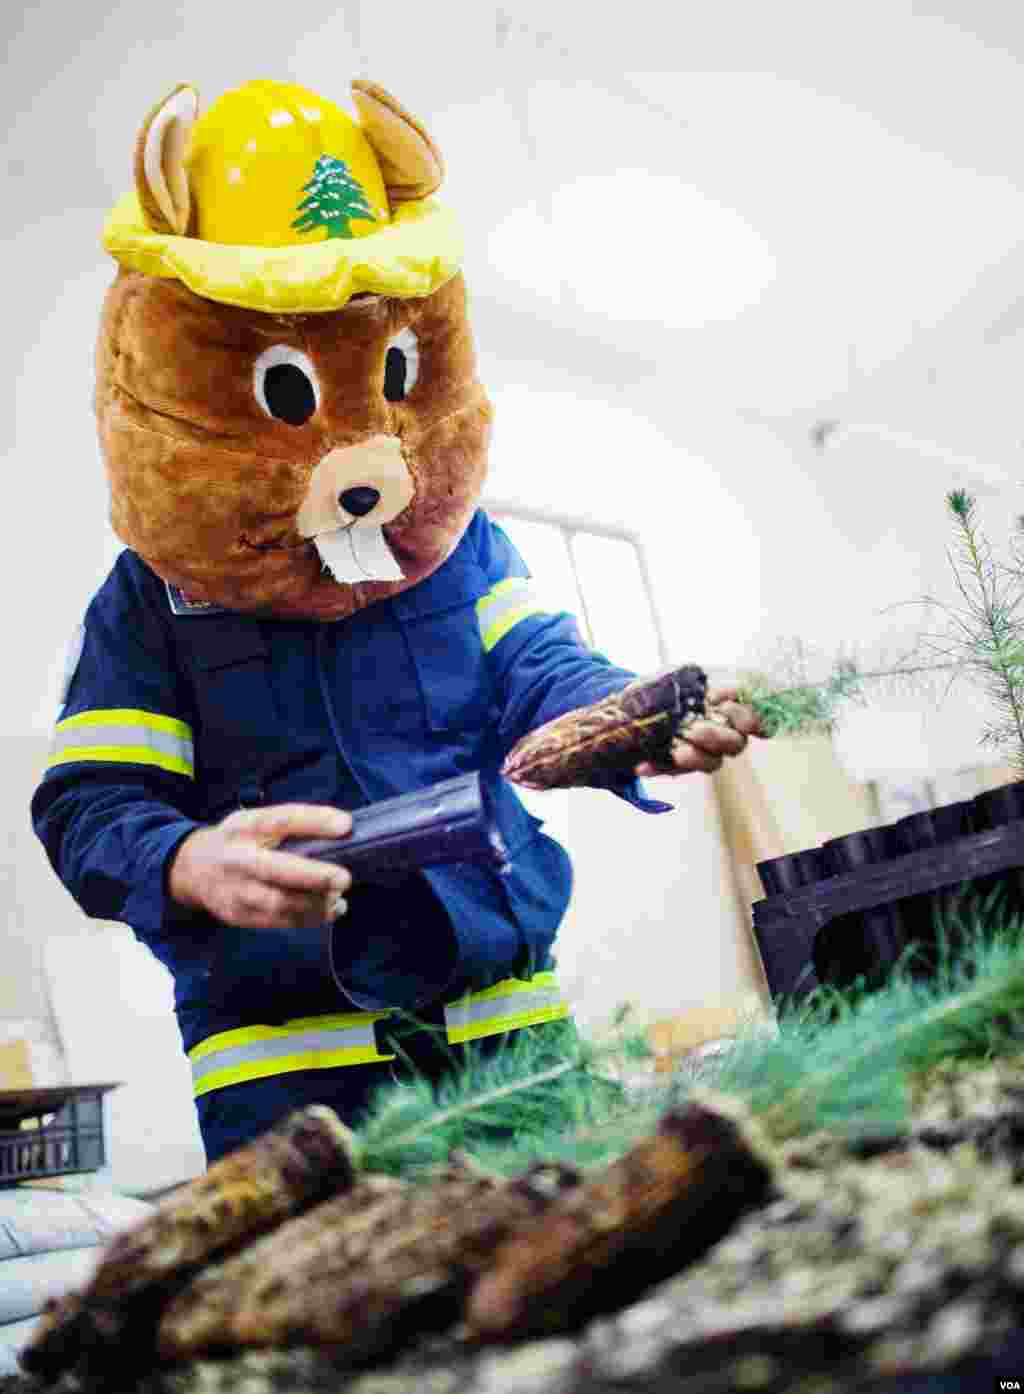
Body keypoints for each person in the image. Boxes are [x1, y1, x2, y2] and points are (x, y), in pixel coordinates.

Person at [31, 76, 761, 1163]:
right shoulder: (146, 601)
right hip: (290, 1088)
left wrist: (632, 716)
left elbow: (545, 667)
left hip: (512, 1046)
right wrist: (186, 860)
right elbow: (91, 804)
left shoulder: (461, 545)